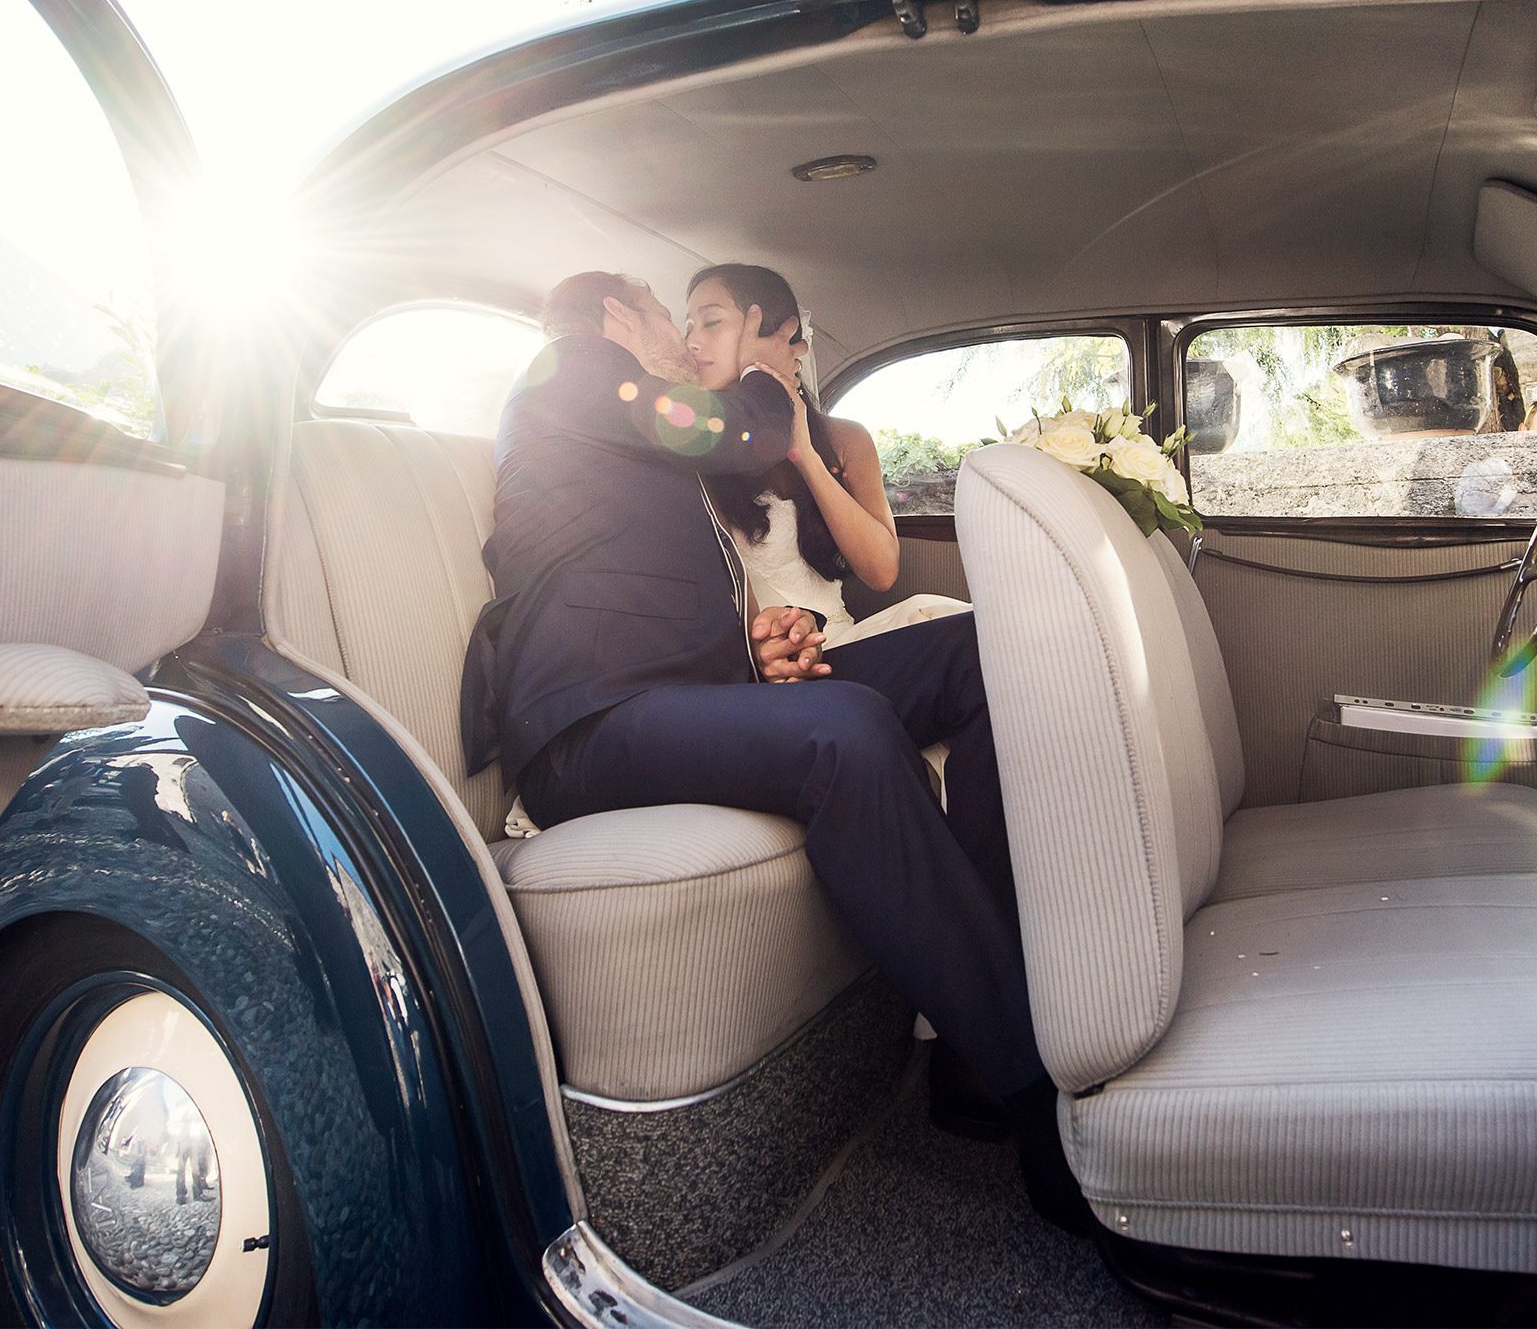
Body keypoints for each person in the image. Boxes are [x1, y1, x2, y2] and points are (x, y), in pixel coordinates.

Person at [459, 270, 1086, 1230]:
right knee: (848, 729)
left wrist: (760, 640)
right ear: (617, 320)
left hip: (676, 696)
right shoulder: (571, 370)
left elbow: (649, 579)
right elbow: (740, 430)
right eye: (667, 316)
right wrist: (766, 376)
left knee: (976, 651)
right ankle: (1037, 1091)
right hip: (589, 727)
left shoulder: (613, 426)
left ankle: (969, 1041)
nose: (675, 333)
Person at [682, 264, 969, 648]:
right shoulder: (697, 450)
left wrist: (807, 459)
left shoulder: (845, 438)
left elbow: (882, 573)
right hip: (769, 660)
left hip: (843, 638)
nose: (692, 343)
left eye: (710, 322)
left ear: (769, 332)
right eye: (688, 327)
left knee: (960, 625)